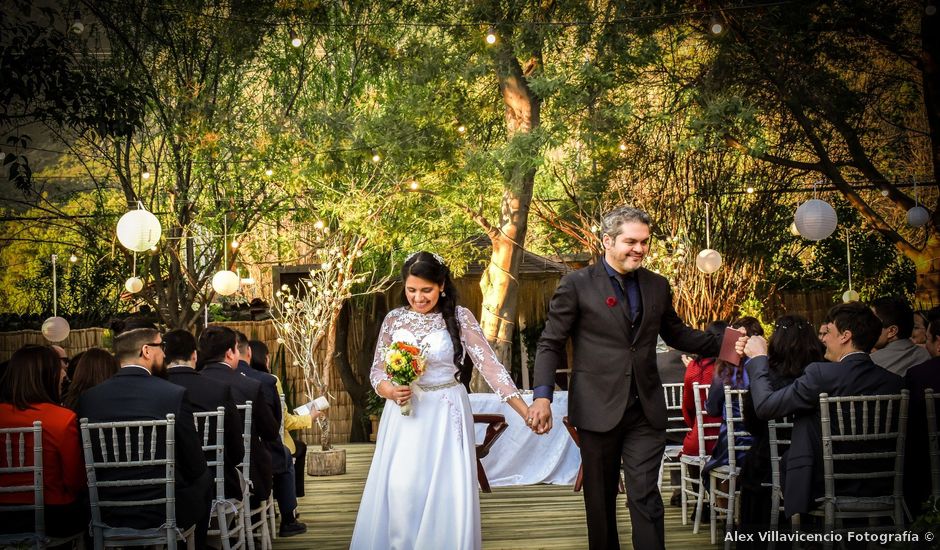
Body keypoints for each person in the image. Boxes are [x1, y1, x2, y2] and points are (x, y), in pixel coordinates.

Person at [530, 206, 727, 550]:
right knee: (601, 499)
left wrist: (727, 343)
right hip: (596, 408)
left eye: (644, 242)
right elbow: (550, 343)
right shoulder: (575, 285)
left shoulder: (657, 285)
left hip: (645, 411)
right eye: (631, 241)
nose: (639, 249)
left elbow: (678, 334)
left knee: (645, 493)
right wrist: (542, 395)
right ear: (607, 241)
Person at [350, 251, 529, 550]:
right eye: (411, 290)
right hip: (405, 415)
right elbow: (377, 371)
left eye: (426, 290)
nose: (418, 298)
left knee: (445, 490)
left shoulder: (460, 318)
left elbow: (492, 368)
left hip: (446, 412)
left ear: (442, 285)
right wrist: (390, 391)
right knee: (401, 487)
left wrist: (524, 411)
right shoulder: (394, 319)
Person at [739, 301, 904, 518]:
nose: (823, 339)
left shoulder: (821, 375)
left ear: (845, 336)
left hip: (822, 485)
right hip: (884, 484)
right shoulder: (896, 382)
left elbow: (766, 407)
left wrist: (759, 359)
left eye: (829, 332)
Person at [76, 328, 212, 548]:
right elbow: (195, 463)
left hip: (106, 511)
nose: (165, 354)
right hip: (162, 511)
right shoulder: (173, 394)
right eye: (161, 347)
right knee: (205, 477)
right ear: (146, 350)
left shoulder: (90, 399)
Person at [736, 315, 822, 546]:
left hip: (767, 468)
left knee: (751, 464)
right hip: (815, 467)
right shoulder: (822, 376)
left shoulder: (763, 378)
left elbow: (752, 425)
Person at [0, 345, 88, 539]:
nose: (63, 377)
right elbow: (74, 481)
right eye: (60, 371)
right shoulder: (62, 418)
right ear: (47, 376)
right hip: (52, 515)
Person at [198, 326, 282, 530]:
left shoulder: (190, 387)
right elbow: (271, 432)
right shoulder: (250, 387)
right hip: (244, 473)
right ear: (230, 352)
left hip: (200, 474)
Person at [163, 329, 245, 501]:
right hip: (217, 482)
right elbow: (237, 452)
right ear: (194, 355)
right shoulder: (218, 390)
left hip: (166, 485)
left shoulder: (156, 390)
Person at [249, 340, 318, 499]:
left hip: (244, 446)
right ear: (265, 359)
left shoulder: (237, 379)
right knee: (298, 448)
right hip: (268, 444)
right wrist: (309, 418)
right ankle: (290, 502)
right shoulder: (271, 380)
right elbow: (284, 422)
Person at [903, 315, 940, 515]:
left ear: (938, 343)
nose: (924, 346)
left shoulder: (919, 375)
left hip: (928, 462)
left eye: (927, 339)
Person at [870, 295, 930, 376]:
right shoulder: (926, 355)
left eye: (871, 322)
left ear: (892, 331)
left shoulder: (870, 363)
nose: (866, 328)